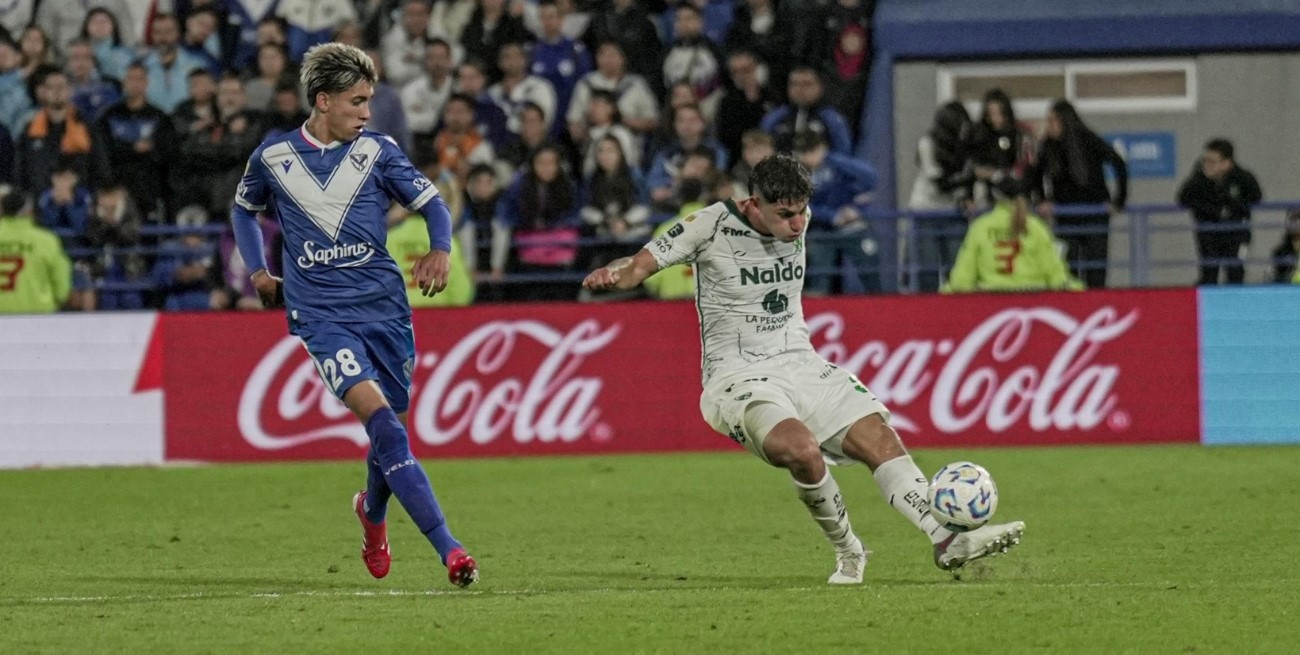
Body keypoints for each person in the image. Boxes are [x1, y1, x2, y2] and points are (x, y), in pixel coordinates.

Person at [581, 154, 1025, 585]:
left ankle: (944, 538)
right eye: (785, 214)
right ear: (753, 203)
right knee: (801, 450)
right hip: (738, 376)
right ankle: (850, 550)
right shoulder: (707, 226)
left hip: (801, 362)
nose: (797, 224)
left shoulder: (800, 216)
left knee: (880, 439)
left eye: (802, 211)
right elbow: (638, 266)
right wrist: (612, 273)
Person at [230, 43, 478, 588]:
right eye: (357, 101)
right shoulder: (272, 157)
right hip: (321, 316)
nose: (367, 112)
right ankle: (451, 550)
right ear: (323, 101)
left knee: (390, 434)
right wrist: (257, 271)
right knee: (386, 427)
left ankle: (372, 514)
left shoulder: (378, 152)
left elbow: (434, 202)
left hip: (387, 311)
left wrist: (441, 247)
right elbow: (242, 209)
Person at [1028, 99, 1127, 289]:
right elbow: (1035, 175)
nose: (1049, 125)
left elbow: (1119, 163)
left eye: (1053, 121)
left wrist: (1118, 201)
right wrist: (1042, 200)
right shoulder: (1048, 146)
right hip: (1066, 218)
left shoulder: (1087, 140)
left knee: (1096, 275)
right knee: (1067, 273)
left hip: (1094, 216)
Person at [944, 179, 1081, 293]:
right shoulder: (1036, 226)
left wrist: (950, 290)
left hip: (991, 298)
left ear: (995, 197)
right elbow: (1054, 270)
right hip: (1033, 296)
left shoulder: (981, 226)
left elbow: (963, 276)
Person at [1176, 139, 1262, 285]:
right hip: (1208, 234)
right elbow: (1183, 198)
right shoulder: (1198, 180)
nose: (1207, 165)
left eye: (1212, 161)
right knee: (1209, 274)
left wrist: (1233, 208)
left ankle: (1235, 304)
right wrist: (1213, 211)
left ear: (1226, 163)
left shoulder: (1242, 178)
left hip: (1236, 233)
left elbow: (1256, 197)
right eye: (1205, 160)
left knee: (1235, 272)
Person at [908, 101, 974, 293]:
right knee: (927, 269)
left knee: (957, 268)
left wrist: (967, 195)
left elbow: (967, 181)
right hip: (926, 212)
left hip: (953, 213)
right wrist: (972, 176)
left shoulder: (966, 146)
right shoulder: (928, 143)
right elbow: (941, 184)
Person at [0, 189, 72, 314]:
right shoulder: (46, 240)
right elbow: (61, 281)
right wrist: (59, 298)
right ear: (28, 211)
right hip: (37, 314)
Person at [1270, 211, 1300, 284]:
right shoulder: (1281, 250)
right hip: (1287, 285)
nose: (1296, 225)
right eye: (1294, 222)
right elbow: (1278, 272)